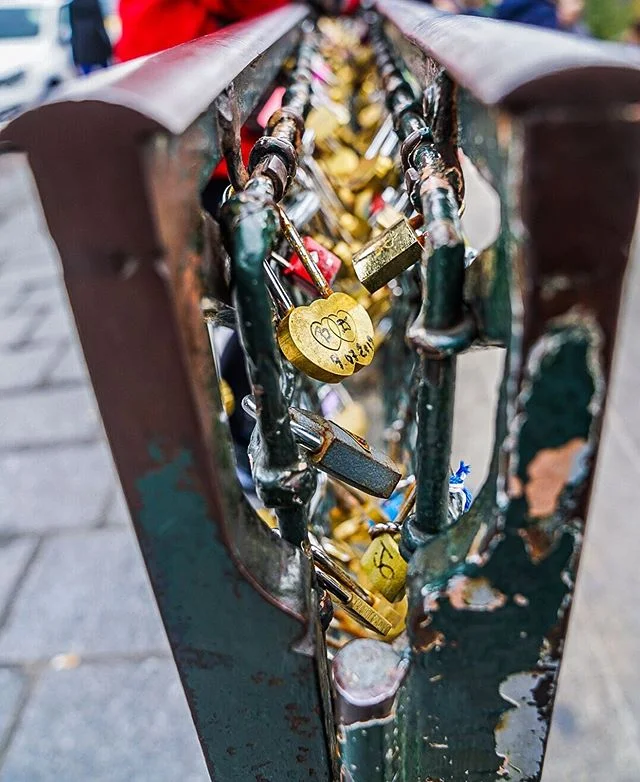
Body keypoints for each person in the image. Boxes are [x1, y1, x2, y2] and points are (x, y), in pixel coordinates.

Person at [70, 0, 112, 74]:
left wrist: (75, 58)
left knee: (87, 79)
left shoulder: (73, 4)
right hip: (98, 45)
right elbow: (101, 27)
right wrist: (109, 50)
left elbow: (74, 32)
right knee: (107, 74)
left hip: (82, 49)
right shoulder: (94, 2)